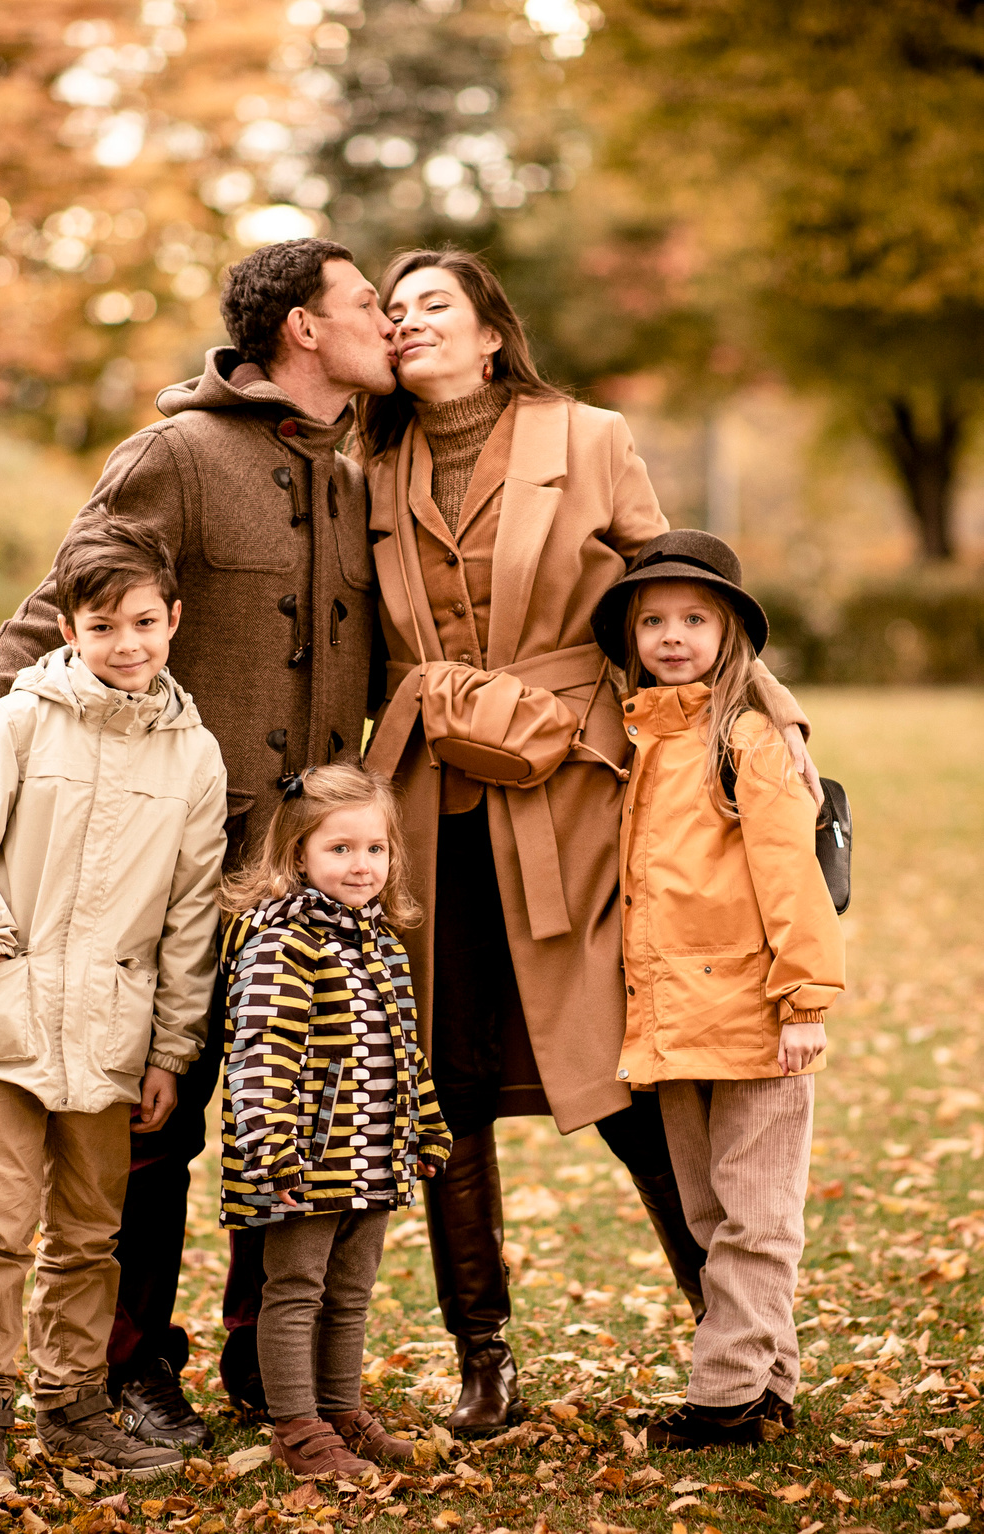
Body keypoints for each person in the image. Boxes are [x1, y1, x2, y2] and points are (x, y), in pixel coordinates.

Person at [0, 238, 399, 1436]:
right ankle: (131, 1369)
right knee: (149, 1125)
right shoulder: (177, 453)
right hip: (177, 857)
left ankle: (263, 1368)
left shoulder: (350, 473)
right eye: (365, 304)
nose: (385, 321)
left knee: (302, 1114)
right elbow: (57, 601)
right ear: (300, 327)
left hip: (312, 878)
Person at [359, 249, 822, 1436]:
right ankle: (484, 1362)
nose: (407, 324)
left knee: (631, 1071)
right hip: (429, 798)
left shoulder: (593, 435)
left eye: (432, 307)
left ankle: (740, 1352)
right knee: (445, 1086)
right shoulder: (368, 461)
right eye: (393, 310)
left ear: (492, 335)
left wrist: (778, 712)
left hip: (572, 784)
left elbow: (681, 592)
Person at [0, 520, 228, 1499]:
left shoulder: (196, 758)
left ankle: (73, 1405)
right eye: (103, 625)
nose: (127, 643)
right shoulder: (17, 722)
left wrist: (172, 1049)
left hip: (114, 1038)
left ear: (174, 618)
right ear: (67, 628)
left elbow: (190, 918)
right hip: (4, 1028)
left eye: (144, 621)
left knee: (91, 1234)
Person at [589, 529, 845, 1445]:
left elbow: (790, 877)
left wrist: (804, 1000)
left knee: (756, 1215)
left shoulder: (745, 738)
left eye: (694, 618)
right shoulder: (640, 735)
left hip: (757, 1015)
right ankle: (769, 1382)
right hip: (673, 1018)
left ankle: (725, 1399)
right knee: (706, 1212)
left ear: (729, 632)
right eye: (651, 619)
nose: (671, 635)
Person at [218, 765, 452, 1476]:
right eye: (339, 849)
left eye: (375, 849)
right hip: (301, 1160)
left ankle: (339, 1407)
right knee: (293, 1291)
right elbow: (262, 1055)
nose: (361, 865)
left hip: (372, 1152)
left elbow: (406, 1050)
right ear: (298, 855)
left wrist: (428, 1127)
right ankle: (295, 1426)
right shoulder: (282, 942)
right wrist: (274, 1152)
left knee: (349, 1293)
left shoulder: (377, 941)